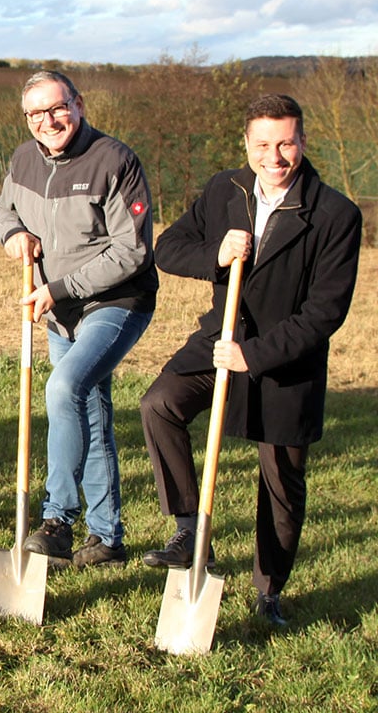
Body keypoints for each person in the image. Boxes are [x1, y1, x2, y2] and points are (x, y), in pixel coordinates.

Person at [139, 94, 362, 625]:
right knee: (159, 405)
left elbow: (324, 313)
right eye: (263, 143)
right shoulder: (225, 189)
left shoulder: (334, 214)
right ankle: (192, 528)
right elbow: (168, 248)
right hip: (220, 337)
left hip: (286, 362)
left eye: (286, 142)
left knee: (281, 480)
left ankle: (269, 592)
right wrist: (214, 254)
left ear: (303, 141)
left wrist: (253, 356)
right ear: (247, 144)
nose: (275, 155)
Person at [0, 70, 157, 568]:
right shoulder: (23, 159)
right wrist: (13, 234)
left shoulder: (115, 160)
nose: (48, 120)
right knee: (90, 409)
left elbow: (132, 252)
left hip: (115, 304)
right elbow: (3, 210)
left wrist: (60, 288)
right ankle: (106, 539)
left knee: (63, 388)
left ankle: (57, 519)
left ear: (78, 105)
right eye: (36, 114)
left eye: (57, 108)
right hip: (57, 310)